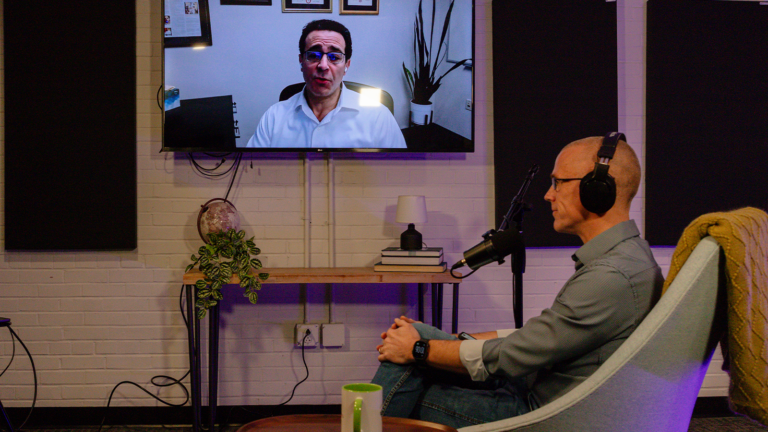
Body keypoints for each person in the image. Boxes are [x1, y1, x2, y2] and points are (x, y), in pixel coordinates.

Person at [371, 135, 664, 429]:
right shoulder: (627, 257)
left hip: (542, 413)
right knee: (416, 334)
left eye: (558, 183)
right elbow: (540, 337)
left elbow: (514, 355)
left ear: (596, 189)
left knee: (408, 378)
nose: (548, 195)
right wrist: (441, 340)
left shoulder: (610, 276)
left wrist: (419, 349)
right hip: (537, 384)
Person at [245, 20, 406, 149]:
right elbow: (251, 173)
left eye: (334, 57)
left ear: (347, 65)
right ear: (301, 61)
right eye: (314, 55)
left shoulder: (378, 117)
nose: (323, 65)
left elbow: (400, 174)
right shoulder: (274, 117)